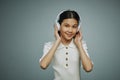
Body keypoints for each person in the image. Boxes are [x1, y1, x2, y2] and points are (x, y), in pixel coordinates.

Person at [39, 10, 93, 80]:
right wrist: (57, 41)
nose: (70, 30)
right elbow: (43, 65)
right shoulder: (49, 45)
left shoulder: (81, 45)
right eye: (66, 26)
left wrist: (79, 45)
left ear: (78, 29)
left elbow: (88, 68)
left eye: (74, 27)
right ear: (58, 26)